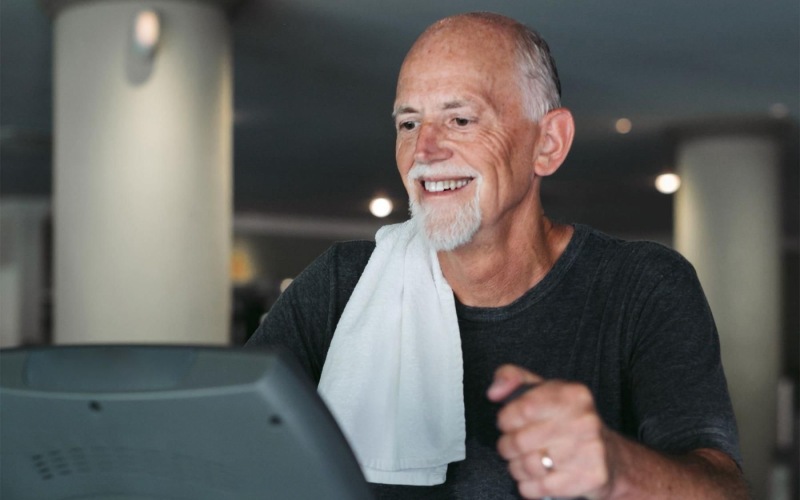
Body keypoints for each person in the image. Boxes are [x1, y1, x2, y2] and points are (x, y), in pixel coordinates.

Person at [246, 12, 748, 499]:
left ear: (548, 144)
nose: (424, 151)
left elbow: (724, 489)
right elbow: (222, 440)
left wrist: (617, 470)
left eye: (460, 119)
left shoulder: (642, 288)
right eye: (408, 124)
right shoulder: (340, 284)